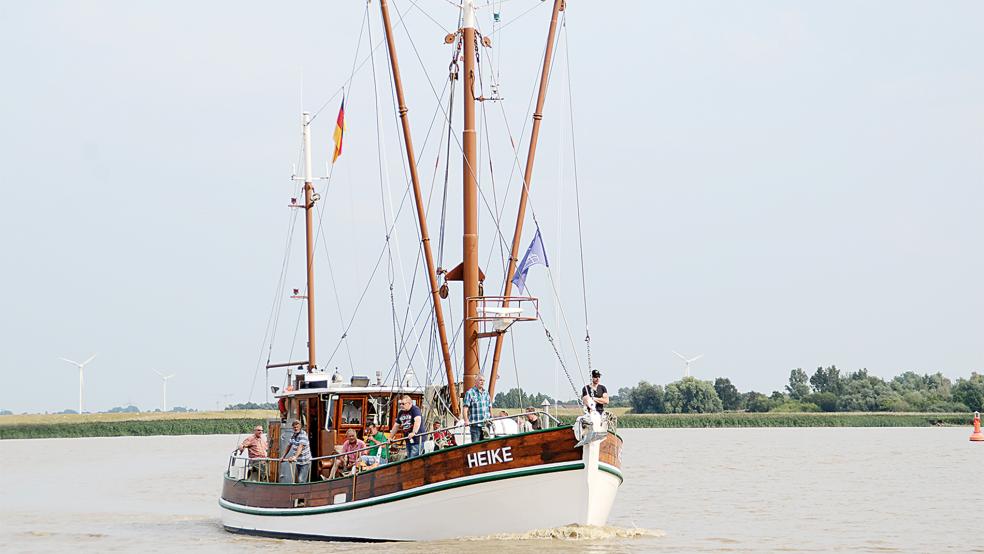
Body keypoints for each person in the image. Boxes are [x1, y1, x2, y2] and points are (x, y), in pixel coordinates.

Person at [462, 374, 492, 443]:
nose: (482, 382)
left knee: (486, 445)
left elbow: (489, 406)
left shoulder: (486, 393)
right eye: (480, 380)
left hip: (486, 425)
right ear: (475, 381)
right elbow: (465, 408)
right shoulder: (470, 393)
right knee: (476, 445)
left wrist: (492, 418)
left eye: (483, 381)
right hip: (475, 425)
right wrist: (466, 420)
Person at [280, 419, 311, 483]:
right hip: (298, 462)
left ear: (300, 427)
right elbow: (289, 446)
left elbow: (300, 447)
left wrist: (295, 457)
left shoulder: (303, 435)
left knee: (301, 480)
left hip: (305, 461)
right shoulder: (293, 435)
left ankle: (303, 492)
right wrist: (283, 456)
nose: (296, 429)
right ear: (292, 428)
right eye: (294, 427)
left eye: (297, 427)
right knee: (297, 480)